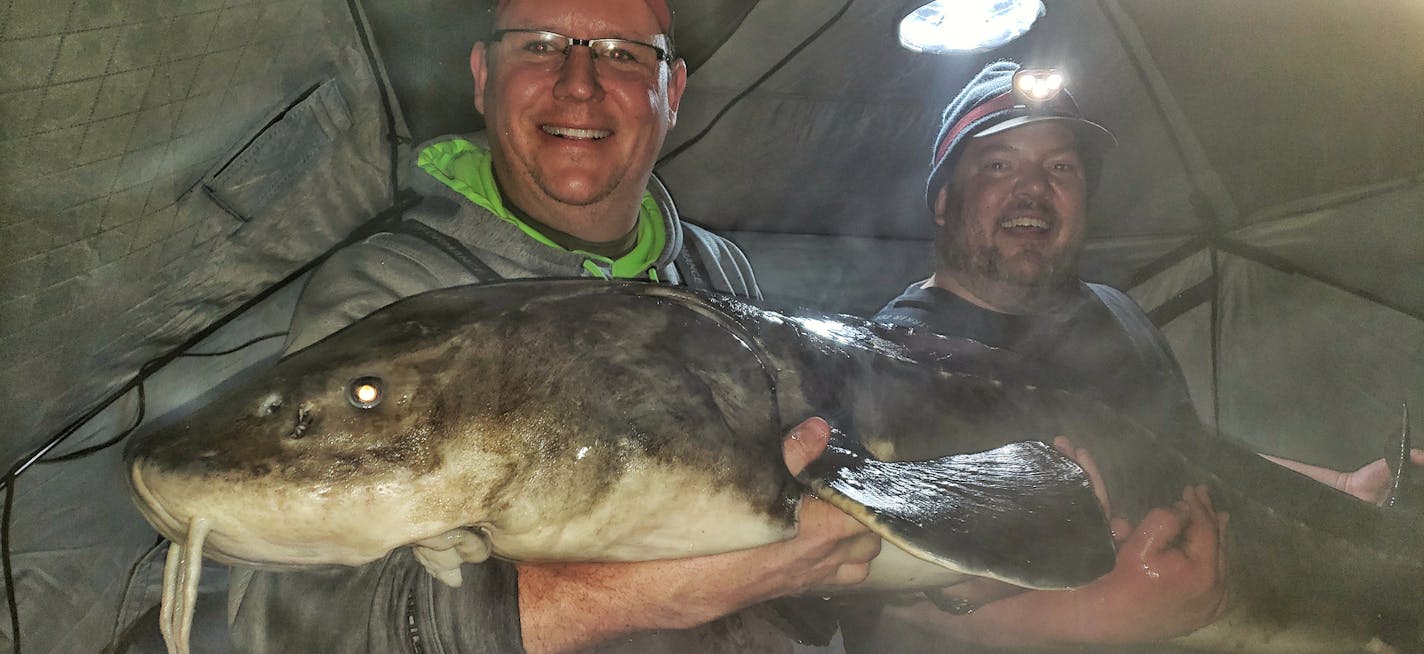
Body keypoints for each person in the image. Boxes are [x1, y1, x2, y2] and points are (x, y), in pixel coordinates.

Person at [222, 1, 882, 653]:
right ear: (483, 77)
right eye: (540, 44)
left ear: (671, 90)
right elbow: (279, 625)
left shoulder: (716, 270)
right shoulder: (388, 293)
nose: (578, 84)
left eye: (622, 54)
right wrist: (633, 594)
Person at [853, 60, 1424, 651]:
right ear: (945, 200)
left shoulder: (1112, 310)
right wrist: (1089, 618)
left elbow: (1185, 451)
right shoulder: (894, 361)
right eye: (1000, 164)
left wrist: (1341, 487)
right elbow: (867, 593)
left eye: (1061, 167)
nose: (1034, 188)